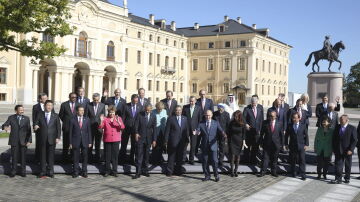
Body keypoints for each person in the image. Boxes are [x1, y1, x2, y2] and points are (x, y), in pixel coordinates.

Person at [195, 110, 226, 182]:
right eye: (206, 115)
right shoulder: (201, 123)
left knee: (215, 161)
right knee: (205, 161)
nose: (207, 117)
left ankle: (216, 175)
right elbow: (198, 130)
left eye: (209, 115)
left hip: (213, 145)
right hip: (204, 145)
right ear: (205, 115)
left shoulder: (216, 123)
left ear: (211, 115)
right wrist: (197, 132)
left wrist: (223, 134)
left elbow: (220, 130)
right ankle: (207, 175)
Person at [2, 105, 32, 177]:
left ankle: (23, 171)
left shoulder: (26, 118)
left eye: (22, 109)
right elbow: (5, 124)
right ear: (16, 111)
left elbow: (29, 131)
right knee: (14, 157)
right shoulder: (11, 117)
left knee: (23, 157)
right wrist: (5, 127)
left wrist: (29, 140)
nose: (22, 111)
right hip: (14, 140)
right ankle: (13, 171)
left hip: (23, 141)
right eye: (20, 109)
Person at [33, 100, 61, 178]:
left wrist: (58, 137)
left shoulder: (55, 115)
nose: (49, 107)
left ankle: (51, 171)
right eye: (48, 105)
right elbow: (35, 123)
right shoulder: (40, 114)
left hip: (52, 138)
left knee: (51, 156)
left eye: (51, 105)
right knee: (42, 156)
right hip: (42, 138)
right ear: (45, 106)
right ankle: (43, 171)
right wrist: (35, 126)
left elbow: (58, 127)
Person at [98, 106, 125, 177]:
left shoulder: (118, 118)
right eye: (110, 112)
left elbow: (122, 127)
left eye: (112, 112)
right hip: (107, 139)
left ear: (115, 112)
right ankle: (107, 170)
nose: (111, 114)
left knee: (115, 156)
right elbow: (100, 128)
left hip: (116, 139)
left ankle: (114, 171)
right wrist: (101, 120)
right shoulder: (105, 119)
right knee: (107, 156)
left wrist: (118, 122)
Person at [331, 115, 357, 184]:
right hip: (338, 150)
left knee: (348, 165)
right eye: (340, 119)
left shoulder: (352, 128)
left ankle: (347, 178)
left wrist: (351, 149)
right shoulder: (337, 127)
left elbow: (354, 140)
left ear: (346, 120)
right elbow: (334, 139)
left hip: (348, 150)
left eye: (342, 119)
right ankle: (338, 178)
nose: (340, 121)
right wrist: (334, 148)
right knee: (338, 165)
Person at [133, 104, 156, 179]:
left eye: (149, 110)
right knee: (139, 156)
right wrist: (136, 133)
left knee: (146, 156)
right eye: (146, 110)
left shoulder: (153, 116)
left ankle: (145, 171)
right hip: (140, 137)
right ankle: (138, 172)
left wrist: (154, 140)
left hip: (149, 139)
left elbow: (154, 129)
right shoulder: (140, 115)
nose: (147, 111)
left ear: (151, 109)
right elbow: (136, 125)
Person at [164, 105, 189, 176]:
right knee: (171, 157)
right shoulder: (171, 119)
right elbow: (167, 130)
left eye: (180, 110)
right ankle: (169, 171)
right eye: (177, 110)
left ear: (181, 111)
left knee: (180, 157)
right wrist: (166, 140)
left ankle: (178, 171)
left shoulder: (185, 118)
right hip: (173, 141)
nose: (178, 111)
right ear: (175, 111)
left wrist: (187, 139)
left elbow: (186, 129)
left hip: (182, 142)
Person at [69, 105, 92, 178]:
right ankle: (76, 171)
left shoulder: (87, 119)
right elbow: (70, 132)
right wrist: (70, 142)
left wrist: (90, 142)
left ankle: (84, 171)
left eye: (83, 110)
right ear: (76, 111)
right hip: (75, 141)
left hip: (85, 141)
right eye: (80, 110)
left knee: (85, 157)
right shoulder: (72, 120)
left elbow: (89, 131)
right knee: (76, 157)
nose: (82, 112)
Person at [285, 112, 309, 181]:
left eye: (296, 118)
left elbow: (306, 135)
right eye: (293, 118)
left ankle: (303, 174)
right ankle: (293, 172)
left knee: (302, 160)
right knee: (293, 160)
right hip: (292, 145)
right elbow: (286, 135)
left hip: (301, 145)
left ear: (299, 118)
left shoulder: (303, 125)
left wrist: (306, 144)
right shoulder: (290, 125)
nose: (294, 119)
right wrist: (286, 144)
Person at [120, 94, 143, 164]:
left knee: (134, 145)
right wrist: (122, 127)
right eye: (134, 101)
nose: (136, 102)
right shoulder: (126, 106)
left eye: (137, 101)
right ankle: (122, 160)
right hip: (126, 128)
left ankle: (131, 160)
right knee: (124, 144)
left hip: (135, 129)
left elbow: (140, 119)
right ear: (131, 100)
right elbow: (123, 117)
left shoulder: (140, 107)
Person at [259, 110, 283, 177]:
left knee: (274, 159)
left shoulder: (279, 123)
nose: (271, 117)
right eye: (270, 116)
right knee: (265, 159)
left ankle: (274, 172)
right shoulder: (265, 123)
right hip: (267, 144)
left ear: (275, 116)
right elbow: (261, 134)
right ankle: (263, 171)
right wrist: (261, 142)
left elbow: (281, 135)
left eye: (272, 116)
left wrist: (282, 144)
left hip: (276, 144)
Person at [32, 93, 53, 162]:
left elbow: (53, 116)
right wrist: (35, 126)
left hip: (48, 130)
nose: (45, 100)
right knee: (38, 145)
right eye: (44, 99)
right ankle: (37, 159)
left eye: (46, 98)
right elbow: (34, 118)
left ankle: (46, 159)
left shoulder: (50, 106)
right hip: (39, 129)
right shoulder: (35, 107)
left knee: (48, 145)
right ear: (40, 99)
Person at [243, 96, 264, 164]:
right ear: (251, 102)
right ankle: (246, 160)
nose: (254, 104)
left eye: (255, 103)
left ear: (257, 102)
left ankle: (253, 160)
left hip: (257, 131)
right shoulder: (247, 108)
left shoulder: (260, 108)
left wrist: (261, 129)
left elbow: (261, 120)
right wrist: (246, 124)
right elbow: (243, 119)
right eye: (252, 103)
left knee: (255, 147)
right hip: (249, 131)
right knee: (247, 147)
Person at [59, 92, 79, 161]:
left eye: (75, 97)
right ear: (69, 97)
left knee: (74, 144)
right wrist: (66, 121)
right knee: (66, 144)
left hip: (76, 128)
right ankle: (65, 159)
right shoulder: (64, 104)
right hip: (67, 127)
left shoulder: (79, 105)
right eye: (73, 97)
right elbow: (61, 115)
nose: (74, 99)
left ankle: (73, 159)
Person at [86, 93, 106, 162]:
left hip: (99, 128)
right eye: (95, 100)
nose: (96, 102)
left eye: (97, 100)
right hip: (90, 127)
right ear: (92, 99)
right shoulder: (88, 105)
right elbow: (86, 116)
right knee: (90, 143)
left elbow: (103, 115)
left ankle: (97, 158)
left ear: (99, 99)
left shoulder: (102, 105)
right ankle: (89, 158)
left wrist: (102, 123)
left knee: (98, 144)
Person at [182, 96, 202, 165]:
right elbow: (183, 118)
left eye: (192, 101)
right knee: (185, 145)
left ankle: (191, 159)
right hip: (186, 129)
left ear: (195, 101)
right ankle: (183, 159)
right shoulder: (185, 107)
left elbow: (200, 120)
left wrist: (198, 129)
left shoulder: (199, 108)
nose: (191, 102)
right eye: (190, 101)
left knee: (193, 145)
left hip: (194, 129)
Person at [227, 110, 247, 177]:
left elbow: (244, 133)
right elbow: (228, 132)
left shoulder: (243, 123)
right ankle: (232, 171)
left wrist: (244, 141)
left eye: (236, 116)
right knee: (232, 156)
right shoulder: (231, 123)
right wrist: (228, 141)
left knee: (238, 156)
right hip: (232, 141)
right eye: (234, 116)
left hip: (239, 141)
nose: (235, 117)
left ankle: (236, 171)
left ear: (239, 116)